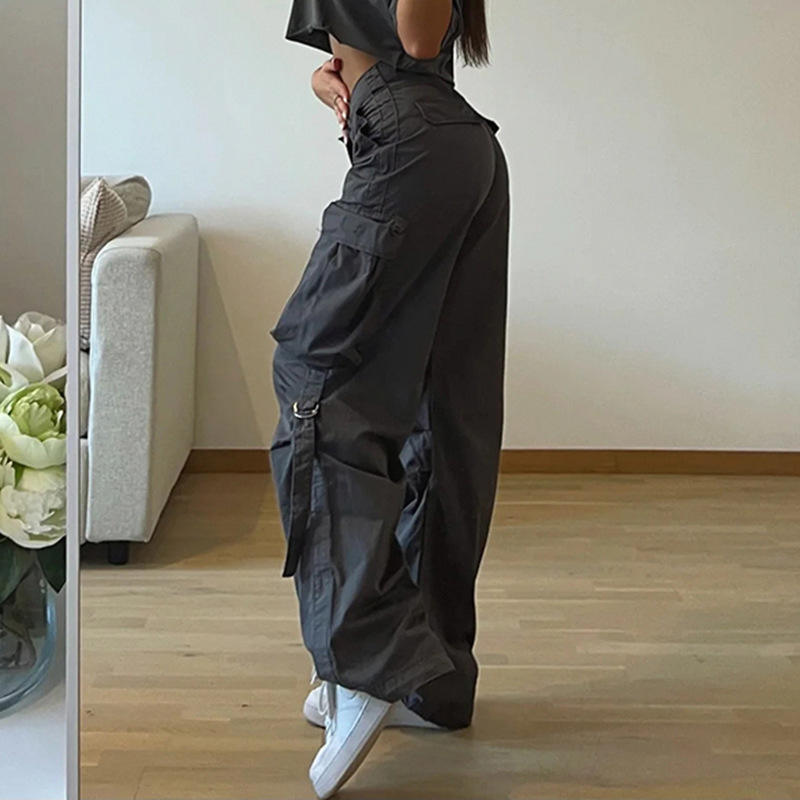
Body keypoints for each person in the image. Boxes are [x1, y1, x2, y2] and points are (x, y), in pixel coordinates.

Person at [269, 1, 510, 796]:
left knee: (317, 381)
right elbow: (388, 47)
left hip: (415, 142)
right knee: (442, 415)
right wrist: (330, 80)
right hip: (446, 144)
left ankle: (369, 659)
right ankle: (430, 680)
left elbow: (416, 35)